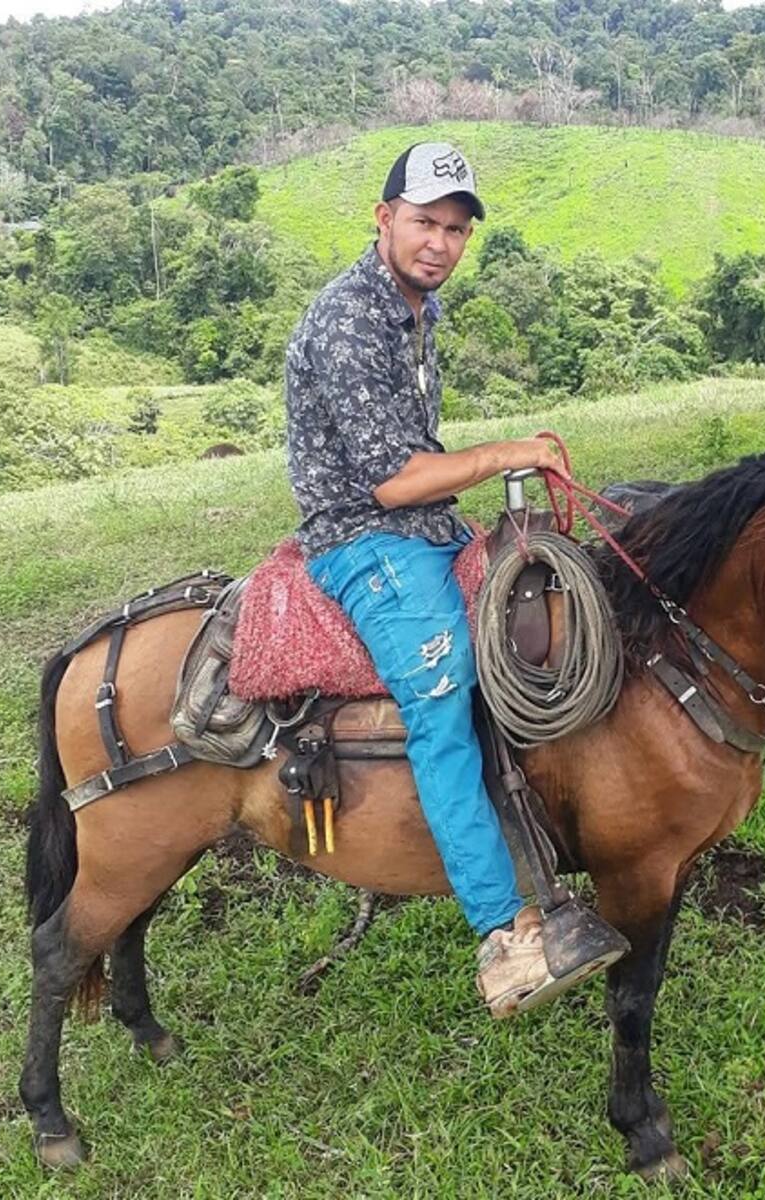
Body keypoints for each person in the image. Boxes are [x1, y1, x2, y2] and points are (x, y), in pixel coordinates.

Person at [284, 141, 573, 1018]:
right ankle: (502, 936)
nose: (440, 243)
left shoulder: (418, 309)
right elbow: (391, 480)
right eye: (424, 223)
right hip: (366, 538)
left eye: (455, 229)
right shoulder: (347, 322)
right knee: (442, 702)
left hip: (426, 526)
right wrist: (509, 453)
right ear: (384, 220)